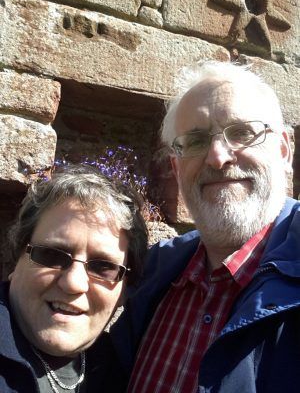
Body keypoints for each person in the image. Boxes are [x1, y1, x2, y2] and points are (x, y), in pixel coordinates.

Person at [110, 60, 300, 393]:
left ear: (284, 150)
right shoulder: (154, 273)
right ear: (176, 166)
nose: (217, 157)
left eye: (242, 132)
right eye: (195, 141)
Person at [0, 165, 148, 392]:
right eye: (52, 255)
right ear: (17, 257)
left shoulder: (120, 373)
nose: (73, 283)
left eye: (103, 267)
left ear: (124, 290)